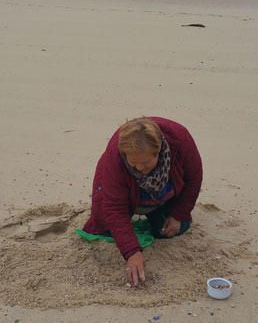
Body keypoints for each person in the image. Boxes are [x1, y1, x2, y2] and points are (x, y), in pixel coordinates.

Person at [81, 116, 203, 287]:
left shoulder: (180, 140)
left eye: (145, 163)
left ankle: (157, 210)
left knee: (170, 230)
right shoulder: (115, 158)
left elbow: (194, 179)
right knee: (105, 226)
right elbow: (114, 208)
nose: (139, 168)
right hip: (124, 191)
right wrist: (131, 252)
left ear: (159, 150)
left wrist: (178, 214)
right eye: (133, 163)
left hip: (165, 189)